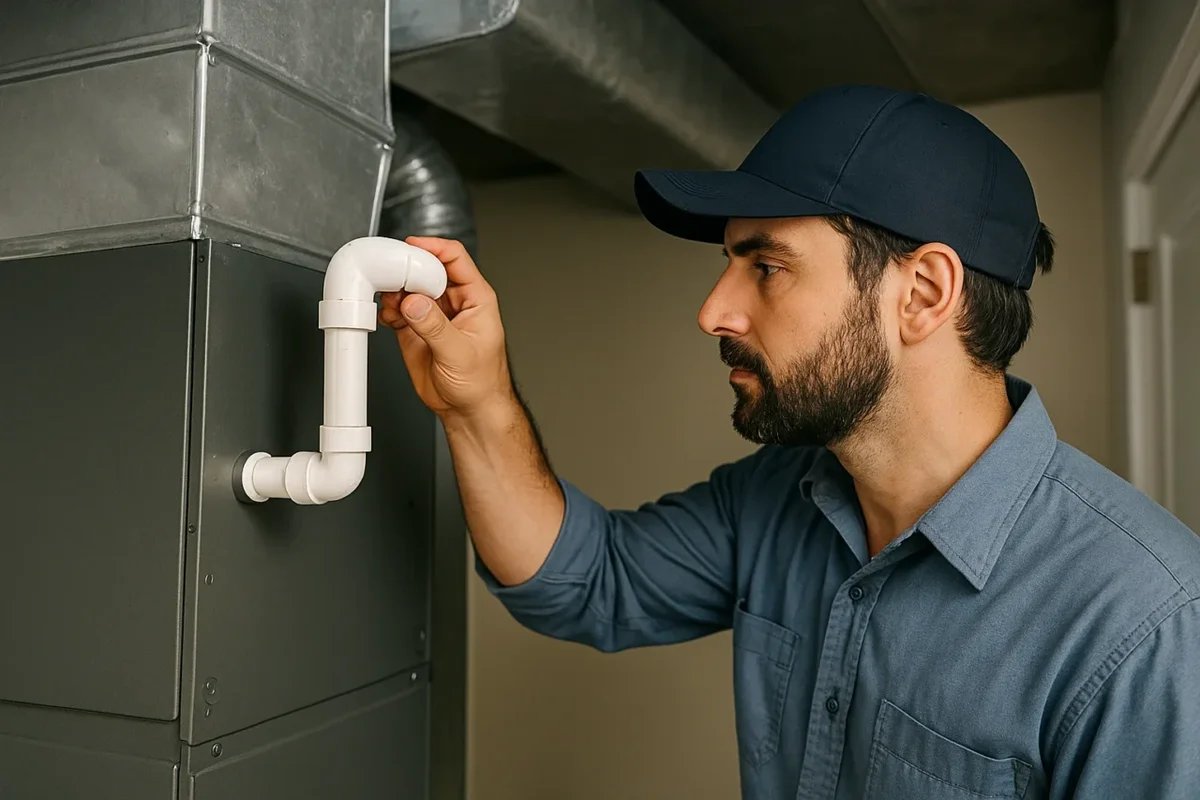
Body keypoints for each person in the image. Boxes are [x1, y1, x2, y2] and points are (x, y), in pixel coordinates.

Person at [378, 85, 1200, 800]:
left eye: (764, 265)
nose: (714, 311)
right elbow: (587, 582)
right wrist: (476, 405)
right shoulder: (779, 496)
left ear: (923, 292)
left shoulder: (1142, 622)